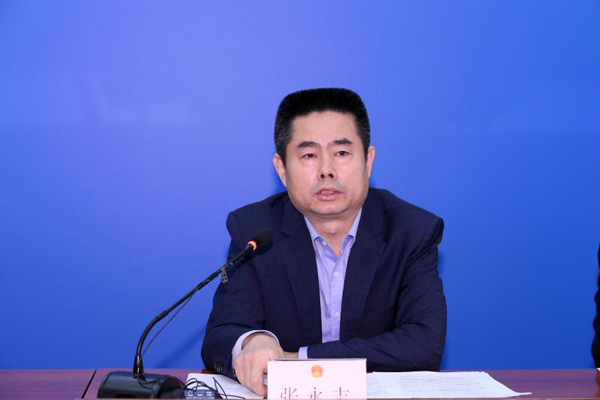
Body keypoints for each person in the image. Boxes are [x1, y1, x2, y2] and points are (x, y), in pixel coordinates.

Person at [201, 88, 447, 395]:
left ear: (368, 161)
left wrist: (298, 361)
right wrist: (252, 342)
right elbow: (220, 336)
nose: (326, 170)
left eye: (342, 153)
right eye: (309, 155)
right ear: (282, 168)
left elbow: (424, 343)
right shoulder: (254, 230)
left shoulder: (411, 231)